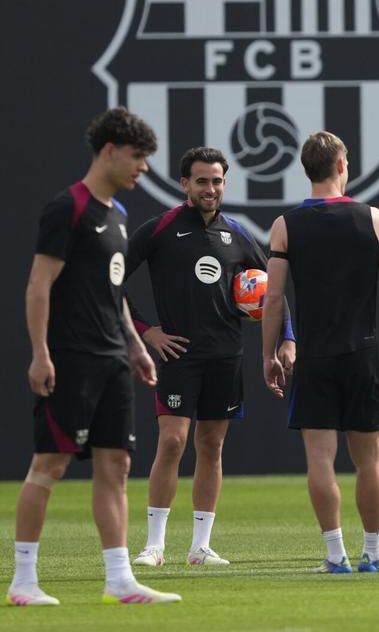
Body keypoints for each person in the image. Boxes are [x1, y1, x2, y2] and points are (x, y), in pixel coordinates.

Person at [8, 107, 181, 606]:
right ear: (108, 152)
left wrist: (134, 346)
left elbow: (114, 294)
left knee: (117, 467)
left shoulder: (120, 217)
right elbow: (39, 284)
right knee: (50, 464)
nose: (144, 168)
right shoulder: (69, 207)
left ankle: (120, 579)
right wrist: (41, 354)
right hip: (71, 358)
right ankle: (23, 581)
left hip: (112, 361)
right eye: (137, 157)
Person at [126, 147, 297, 568]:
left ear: (225, 183)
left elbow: (272, 292)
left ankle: (200, 547)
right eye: (202, 181)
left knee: (211, 445)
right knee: (171, 443)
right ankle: (154, 546)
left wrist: (287, 339)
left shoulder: (237, 234)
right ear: (184, 183)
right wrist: (147, 332)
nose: (210, 188)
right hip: (179, 356)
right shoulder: (160, 229)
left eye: (217, 181)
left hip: (226, 357)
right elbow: (109, 282)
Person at [260, 131, 379, 574]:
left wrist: (268, 354)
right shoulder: (374, 219)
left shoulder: (286, 225)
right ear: (343, 166)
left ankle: (334, 554)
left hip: (315, 357)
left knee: (320, 460)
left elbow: (272, 298)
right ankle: (373, 553)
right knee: (370, 461)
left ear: (306, 170)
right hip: (361, 353)